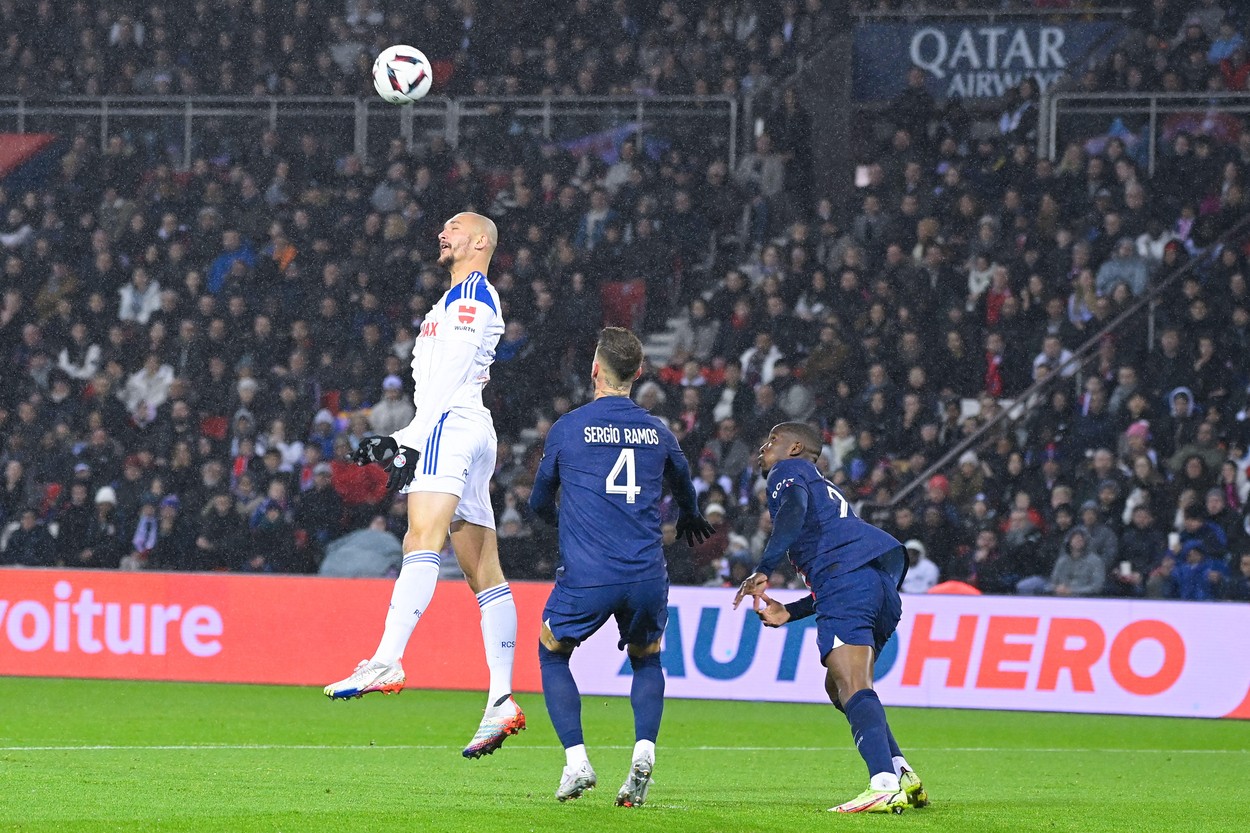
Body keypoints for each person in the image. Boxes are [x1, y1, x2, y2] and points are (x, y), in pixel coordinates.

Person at [323, 212, 524, 760]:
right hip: (472, 427)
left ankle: (388, 657)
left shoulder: (472, 298)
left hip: (449, 424)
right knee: (484, 570)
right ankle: (502, 698)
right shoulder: (451, 299)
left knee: (420, 540)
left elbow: (449, 378)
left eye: (454, 228)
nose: (443, 233)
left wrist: (408, 437)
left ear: (479, 241)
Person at [528, 327, 713, 805]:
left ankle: (576, 763)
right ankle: (644, 751)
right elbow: (685, 485)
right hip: (646, 574)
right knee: (647, 658)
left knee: (552, 652)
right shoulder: (658, 431)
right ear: (639, 373)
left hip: (588, 573)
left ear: (595, 370)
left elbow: (537, 502)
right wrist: (690, 516)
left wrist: (567, 524)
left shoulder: (569, 427)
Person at [734, 422, 926, 814]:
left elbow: (792, 512)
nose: (763, 446)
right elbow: (834, 570)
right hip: (876, 584)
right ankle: (901, 771)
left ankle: (882, 784)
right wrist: (792, 611)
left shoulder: (787, 472)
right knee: (840, 688)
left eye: (772, 440)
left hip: (849, 583)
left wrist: (764, 567)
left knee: (852, 684)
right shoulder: (824, 486)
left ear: (795, 448)